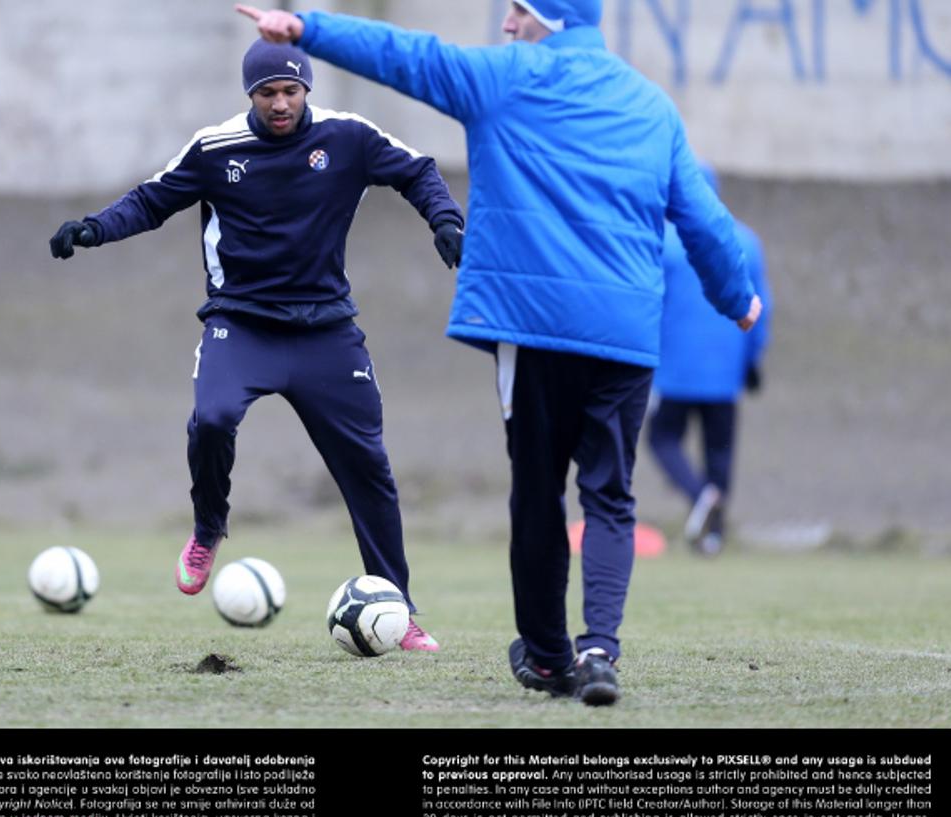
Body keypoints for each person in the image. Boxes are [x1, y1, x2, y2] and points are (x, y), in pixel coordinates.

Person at [239, 1, 762, 703]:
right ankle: (600, 648)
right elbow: (701, 216)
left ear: (548, 16)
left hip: (535, 326)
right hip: (626, 333)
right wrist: (738, 297)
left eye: (519, 8)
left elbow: (406, 57)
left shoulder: (503, 78)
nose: (508, 22)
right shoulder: (651, 104)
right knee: (609, 494)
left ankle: (549, 659)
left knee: (540, 490)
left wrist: (306, 30)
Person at [49, 39, 466, 652]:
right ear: (250, 95)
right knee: (213, 419)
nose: (280, 103)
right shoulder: (217, 148)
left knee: (368, 468)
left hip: (326, 331)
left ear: (307, 89)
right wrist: (92, 229)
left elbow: (417, 170)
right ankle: (208, 528)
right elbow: (150, 200)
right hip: (241, 325)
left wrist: (446, 220)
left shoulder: (347, 136)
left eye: (290, 91)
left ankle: (399, 611)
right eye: (267, 93)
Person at [648, 163, 772, 557]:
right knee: (719, 451)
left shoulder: (664, 242)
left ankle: (700, 495)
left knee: (662, 437)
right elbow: (761, 307)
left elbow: (650, 304)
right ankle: (714, 537)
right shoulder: (747, 241)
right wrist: (752, 359)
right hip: (725, 368)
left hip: (676, 370)